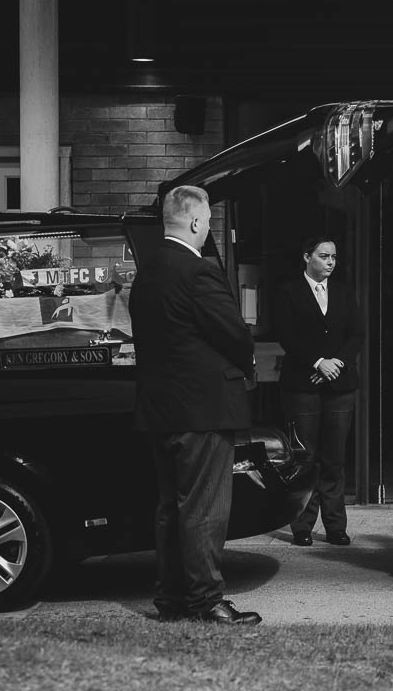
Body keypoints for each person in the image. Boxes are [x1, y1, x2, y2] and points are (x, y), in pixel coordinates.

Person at [129, 185, 261, 625]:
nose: (208, 230)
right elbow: (234, 333)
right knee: (205, 508)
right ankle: (206, 600)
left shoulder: (146, 271)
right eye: (207, 222)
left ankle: (171, 600)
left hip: (160, 407)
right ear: (196, 222)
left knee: (171, 507)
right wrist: (249, 360)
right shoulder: (198, 271)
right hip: (202, 409)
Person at [272, 236, 363, 547]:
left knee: (334, 457)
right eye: (324, 256)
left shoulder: (344, 292)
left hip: (340, 385)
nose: (330, 262)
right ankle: (302, 525)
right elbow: (286, 334)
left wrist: (336, 362)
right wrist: (317, 362)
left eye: (334, 257)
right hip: (302, 384)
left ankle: (336, 525)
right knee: (305, 456)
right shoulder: (288, 292)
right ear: (307, 256)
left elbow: (356, 333)